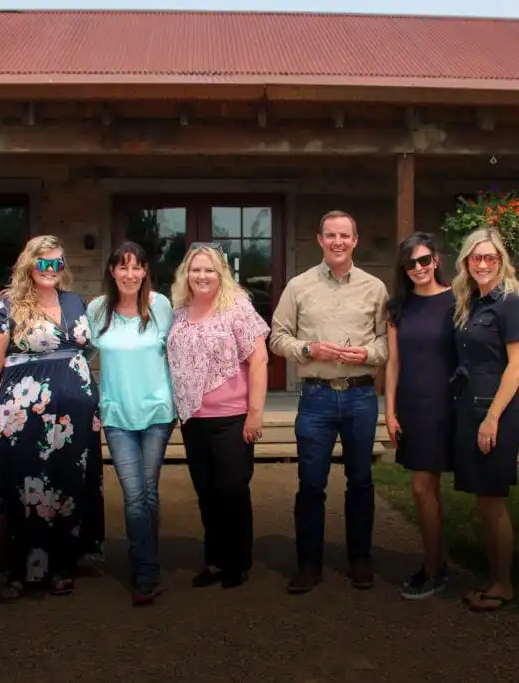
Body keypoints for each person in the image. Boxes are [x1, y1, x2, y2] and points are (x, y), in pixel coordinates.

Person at [0, 234, 105, 601]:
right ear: (29, 264)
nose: (52, 270)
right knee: (24, 487)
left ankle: (63, 564)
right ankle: (20, 569)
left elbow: (89, 347)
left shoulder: (75, 302)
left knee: (68, 486)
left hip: (76, 422)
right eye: (44, 262)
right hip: (21, 419)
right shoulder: (6, 308)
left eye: (58, 263)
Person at [269, 210, 388, 594]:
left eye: (345, 235)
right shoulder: (299, 286)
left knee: (361, 481)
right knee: (311, 484)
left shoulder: (375, 288)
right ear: (319, 240)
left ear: (355, 240)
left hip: (360, 395)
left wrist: (368, 354)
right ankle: (308, 563)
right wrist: (308, 347)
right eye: (330, 235)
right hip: (316, 398)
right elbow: (277, 336)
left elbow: (388, 342)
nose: (338, 242)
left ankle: (360, 559)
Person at [165, 243, 270, 590]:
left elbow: (259, 360)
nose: (202, 276)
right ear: (186, 274)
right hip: (194, 418)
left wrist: (255, 413)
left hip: (233, 416)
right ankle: (214, 560)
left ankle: (237, 562)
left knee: (232, 490)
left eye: (209, 269)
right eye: (196, 270)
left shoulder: (237, 307)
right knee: (207, 492)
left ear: (221, 273)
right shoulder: (179, 312)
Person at [87, 241, 176, 606]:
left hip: (156, 412)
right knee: (134, 494)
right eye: (122, 267)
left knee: (148, 493)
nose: (130, 274)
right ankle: (146, 573)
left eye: (136, 267)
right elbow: (77, 350)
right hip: (117, 414)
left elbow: (180, 348)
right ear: (112, 271)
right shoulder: (97, 310)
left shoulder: (161, 306)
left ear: (145, 271)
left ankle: (143, 555)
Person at [452, 229, 519, 613]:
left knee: (492, 498)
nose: (483, 264)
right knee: (483, 499)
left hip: (497, 409)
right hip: (472, 404)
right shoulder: (473, 301)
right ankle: (495, 577)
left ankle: (503, 584)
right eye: (476, 258)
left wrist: (492, 418)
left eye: (490, 258)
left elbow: (518, 365)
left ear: (501, 261)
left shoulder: (510, 304)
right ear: (466, 262)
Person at [384, 232, 457, 600]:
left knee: (434, 487)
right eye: (411, 263)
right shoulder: (399, 306)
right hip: (415, 406)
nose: (419, 269)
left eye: (424, 260)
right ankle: (434, 565)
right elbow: (393, 363)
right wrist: (390, 410)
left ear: (436, 260)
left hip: (450, 404)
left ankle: (438, 566)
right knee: (422, 487)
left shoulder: (458, 301)